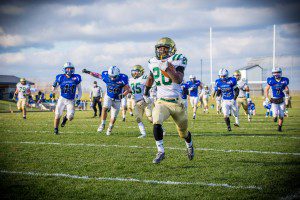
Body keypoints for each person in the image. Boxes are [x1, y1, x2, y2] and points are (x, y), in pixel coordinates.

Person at [144, 37, 194, 164]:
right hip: (162, 101)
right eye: (159, 49)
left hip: (177, 103)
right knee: (156, 120)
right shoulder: (152, 61)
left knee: (183, 133)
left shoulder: (178, 59)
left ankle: (189, 145)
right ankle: (160, 151)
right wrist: (146, 93)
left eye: (165, 49)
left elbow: (178, 79)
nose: (162, 51)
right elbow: (151, 78)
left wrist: (167, 68)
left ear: (171, 50)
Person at [82, 66, 130, 135]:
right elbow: (97, 75)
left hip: (117, 99)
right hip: (109, 96)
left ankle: (110, 128)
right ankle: (102, 124)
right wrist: (88, 72)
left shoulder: (123, 79)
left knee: (113, 117)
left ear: (118, 75)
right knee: (104, 108)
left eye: (114, 76)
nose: (112, 78)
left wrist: (123, 95)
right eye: (111, 76)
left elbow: (127, 89)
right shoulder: (106, 76)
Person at [52, 62, 82, 134]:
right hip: (62, 99)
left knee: (70, 117)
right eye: (68, 68)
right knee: (57, 114)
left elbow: (80, 90)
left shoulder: (76, 77)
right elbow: (53, 89)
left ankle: (65, 118)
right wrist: (54, 85)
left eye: (71, 68)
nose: (69, 70)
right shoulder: (60, 77)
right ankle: (56, 130)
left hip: (71, 100)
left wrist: (78, 99)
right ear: (64, 69)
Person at [129, 64, 152, 138]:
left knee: (150, 118)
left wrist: (150, 97)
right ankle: (143, 133)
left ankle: (161, 129)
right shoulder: (130, 80)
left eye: (136, 71)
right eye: (133, 71)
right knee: (138, 118)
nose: (134, 73)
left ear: (141, 72)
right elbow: (130, 90)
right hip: (137, 101)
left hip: (145, 100)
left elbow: (151, 87)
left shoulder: (144, 78)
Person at [265, 67, 290, 132]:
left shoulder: (284, 80)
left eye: (277, 72)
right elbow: (266, 89)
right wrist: (267, 97)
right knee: (275, 114)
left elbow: (287, 89)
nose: (276, 74)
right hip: (274, 100)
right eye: (275, 72)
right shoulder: (271, 80)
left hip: (282, 99)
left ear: (280, 73)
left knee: (281, 115)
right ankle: (275, 117)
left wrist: (287, 95)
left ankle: (279, 127)